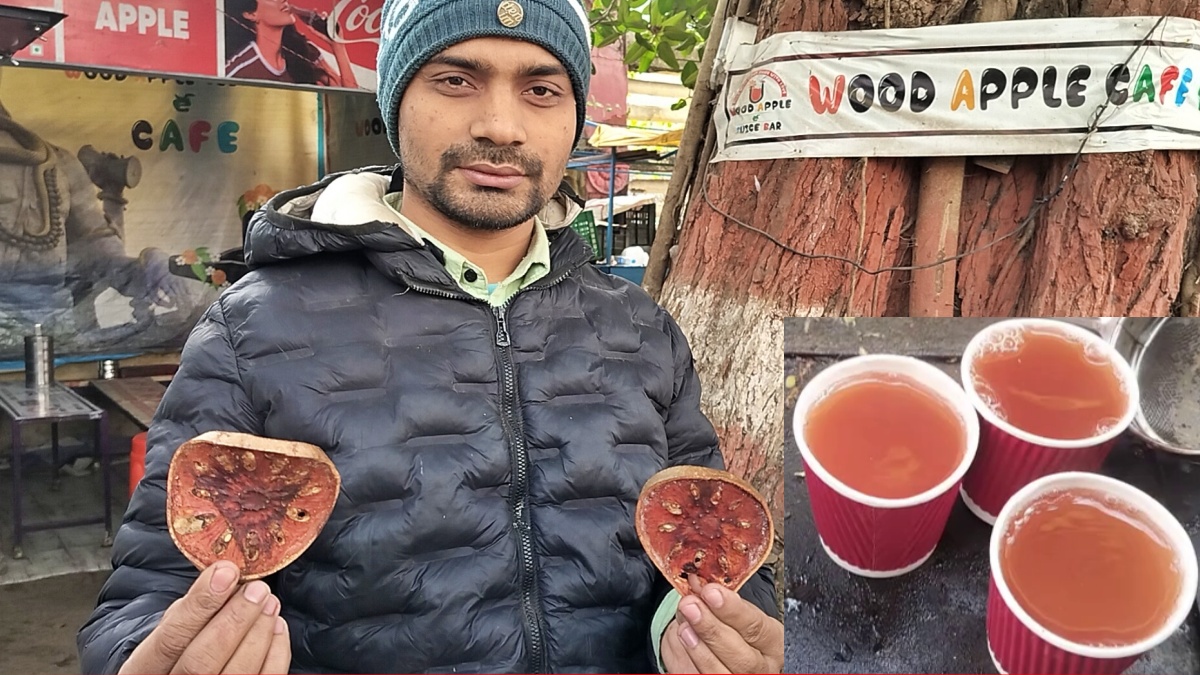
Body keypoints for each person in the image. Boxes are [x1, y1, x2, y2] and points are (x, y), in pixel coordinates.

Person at [77, 0, 784, 672]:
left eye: (541, 90)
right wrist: (159, 650)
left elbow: (717, 553)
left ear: (574, 119)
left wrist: (705, 632)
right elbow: (148, 595)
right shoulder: (253, 326)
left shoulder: (641, 329)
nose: (501, 126)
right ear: (395, 101)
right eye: (456, 79)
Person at [224, 0, 358, 88]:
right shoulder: (240, 71)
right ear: (250, 14)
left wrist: (338, 46)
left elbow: (352, 100)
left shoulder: (302, 50)